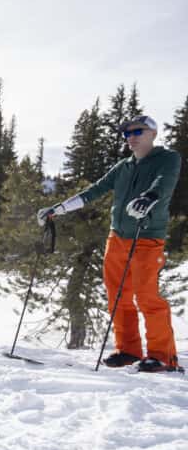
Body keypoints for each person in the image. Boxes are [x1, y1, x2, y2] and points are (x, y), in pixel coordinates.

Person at [37, 114, 182, 372]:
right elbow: (95, 190)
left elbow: (165, 183)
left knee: (147, 296)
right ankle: (128, 349)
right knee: (118, 296)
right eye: (127, 134)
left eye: (137, 131)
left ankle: (162, 355)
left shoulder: (168, 159)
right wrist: (58, 209)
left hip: (147, 238)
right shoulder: (123, 166)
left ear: (152, 134)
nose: (131, 138)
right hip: (117, 239)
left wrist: (149, 197)